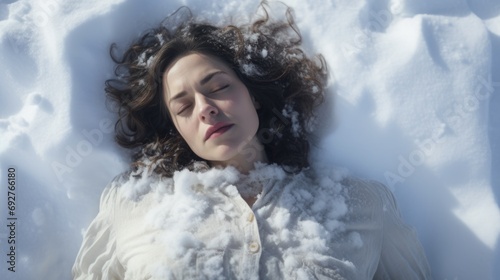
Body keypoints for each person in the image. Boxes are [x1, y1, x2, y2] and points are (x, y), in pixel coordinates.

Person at [73, 3, 432, 279]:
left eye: (219, 88)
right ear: (176, 129)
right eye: (183, 107)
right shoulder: (133, 206)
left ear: (254, 93)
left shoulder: (362, 204)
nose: (205, 109)